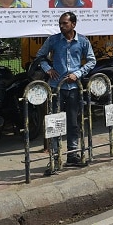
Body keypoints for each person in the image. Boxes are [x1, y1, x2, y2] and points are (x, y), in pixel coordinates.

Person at [36, 12, 96, 172]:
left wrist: (77, 73)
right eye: (60, 23)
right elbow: (40, 56)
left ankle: (72, 155)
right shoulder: (53, 40)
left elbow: (92, 60)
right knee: (55, 122)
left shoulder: (82, 41)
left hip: (74, 88)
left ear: (73, 24)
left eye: (65, 23)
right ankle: (56, 157)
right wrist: (48, 69)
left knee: (73, 122)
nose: (62, 26)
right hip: (56, 87)